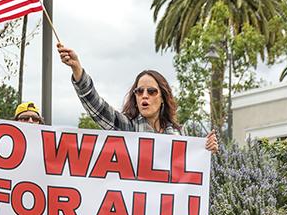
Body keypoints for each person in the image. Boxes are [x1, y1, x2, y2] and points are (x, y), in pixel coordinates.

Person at [57, 43, 218, 153]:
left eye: (151, 91)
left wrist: (206, 150)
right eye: (139, 91)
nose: (144, 96)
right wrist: (77, 70)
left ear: (163, 97)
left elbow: (192, 176)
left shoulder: (180, 133)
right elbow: (97, 108)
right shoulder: (127, 127)